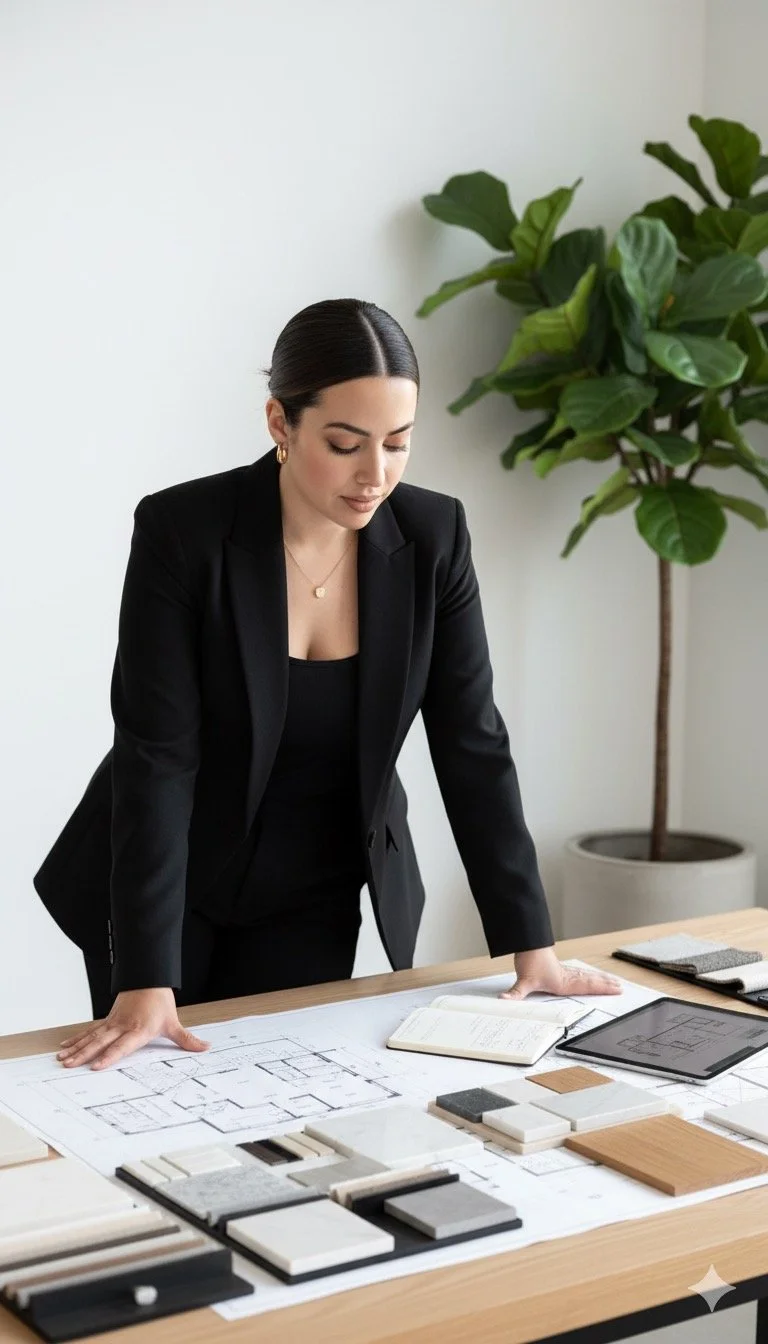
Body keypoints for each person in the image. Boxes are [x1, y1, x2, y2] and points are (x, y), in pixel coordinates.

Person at [34, 297, 621, 1072]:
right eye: (345, 444)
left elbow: (473, 744)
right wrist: (146, 976)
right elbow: (157, 755)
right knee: (151, 1092)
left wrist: (531, 945)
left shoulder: (433, 539)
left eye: (398, 443)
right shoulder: (186, 532)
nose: (374, 475)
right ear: (280, 423)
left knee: (279, 1094)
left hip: (315, 886)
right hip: (165, 879)